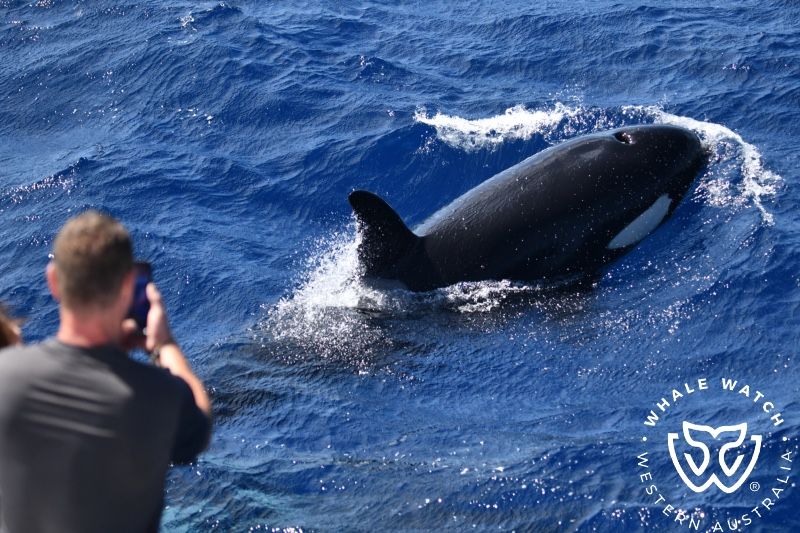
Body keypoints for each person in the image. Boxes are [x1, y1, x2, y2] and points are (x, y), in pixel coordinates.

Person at [0, 211, 212, 533]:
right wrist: (164, 344)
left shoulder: (6, 376)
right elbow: (199, 424)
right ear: (129, 285)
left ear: (53, 281)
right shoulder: (160, 396)